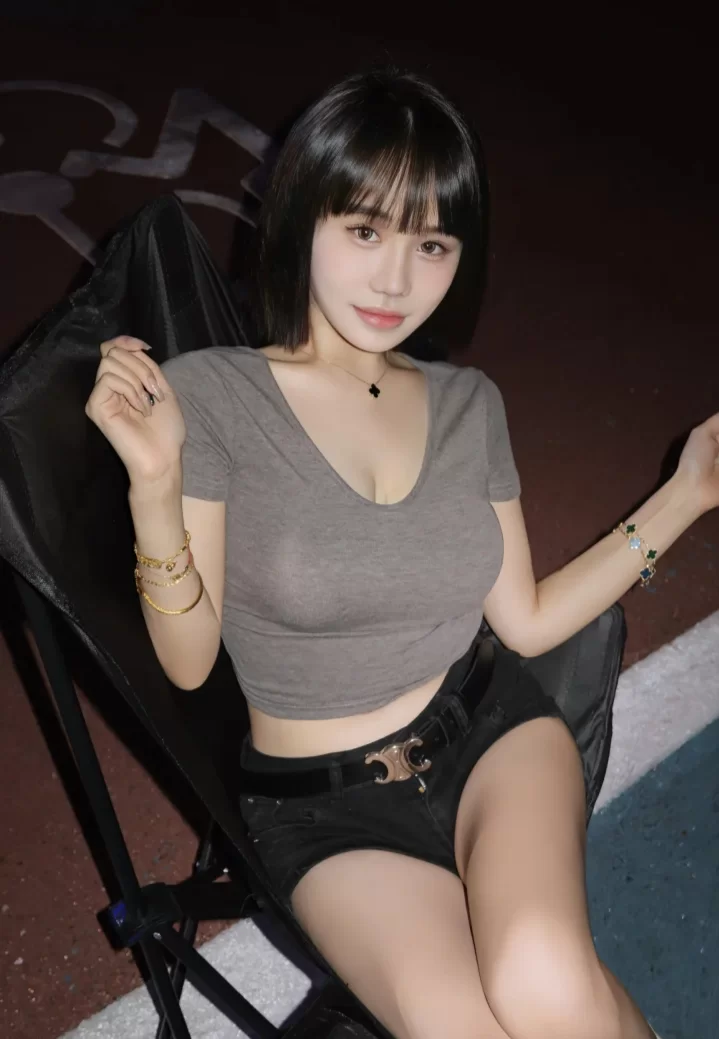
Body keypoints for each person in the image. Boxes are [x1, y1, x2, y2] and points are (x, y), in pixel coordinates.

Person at [84, 66, 717, 1039]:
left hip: (489, 734)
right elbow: (188, 658)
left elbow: (524, 621)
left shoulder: (466, 403)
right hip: (323, 809)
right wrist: (156, 485)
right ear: (302, 218)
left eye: (430, 244)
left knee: (544, 978)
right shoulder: (212, 394)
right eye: (364, 231)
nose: (394, 280)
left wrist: (687, 493)